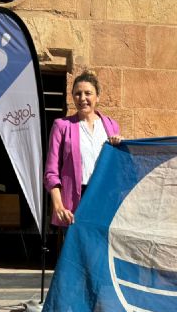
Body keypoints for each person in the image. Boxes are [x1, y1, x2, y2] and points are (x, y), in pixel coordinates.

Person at [44, 70, 122, 229]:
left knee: (99, 250)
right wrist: (58, 206)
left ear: (97, 96)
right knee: (76, 251)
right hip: (74, 202)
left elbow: (118, 167)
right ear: (72, 96)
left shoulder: (111, 125)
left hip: (104, 196)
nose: (83, 98)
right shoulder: (62, 126)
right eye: (78, 94)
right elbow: (51, 172)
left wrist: (120, 147)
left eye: (88, 93)